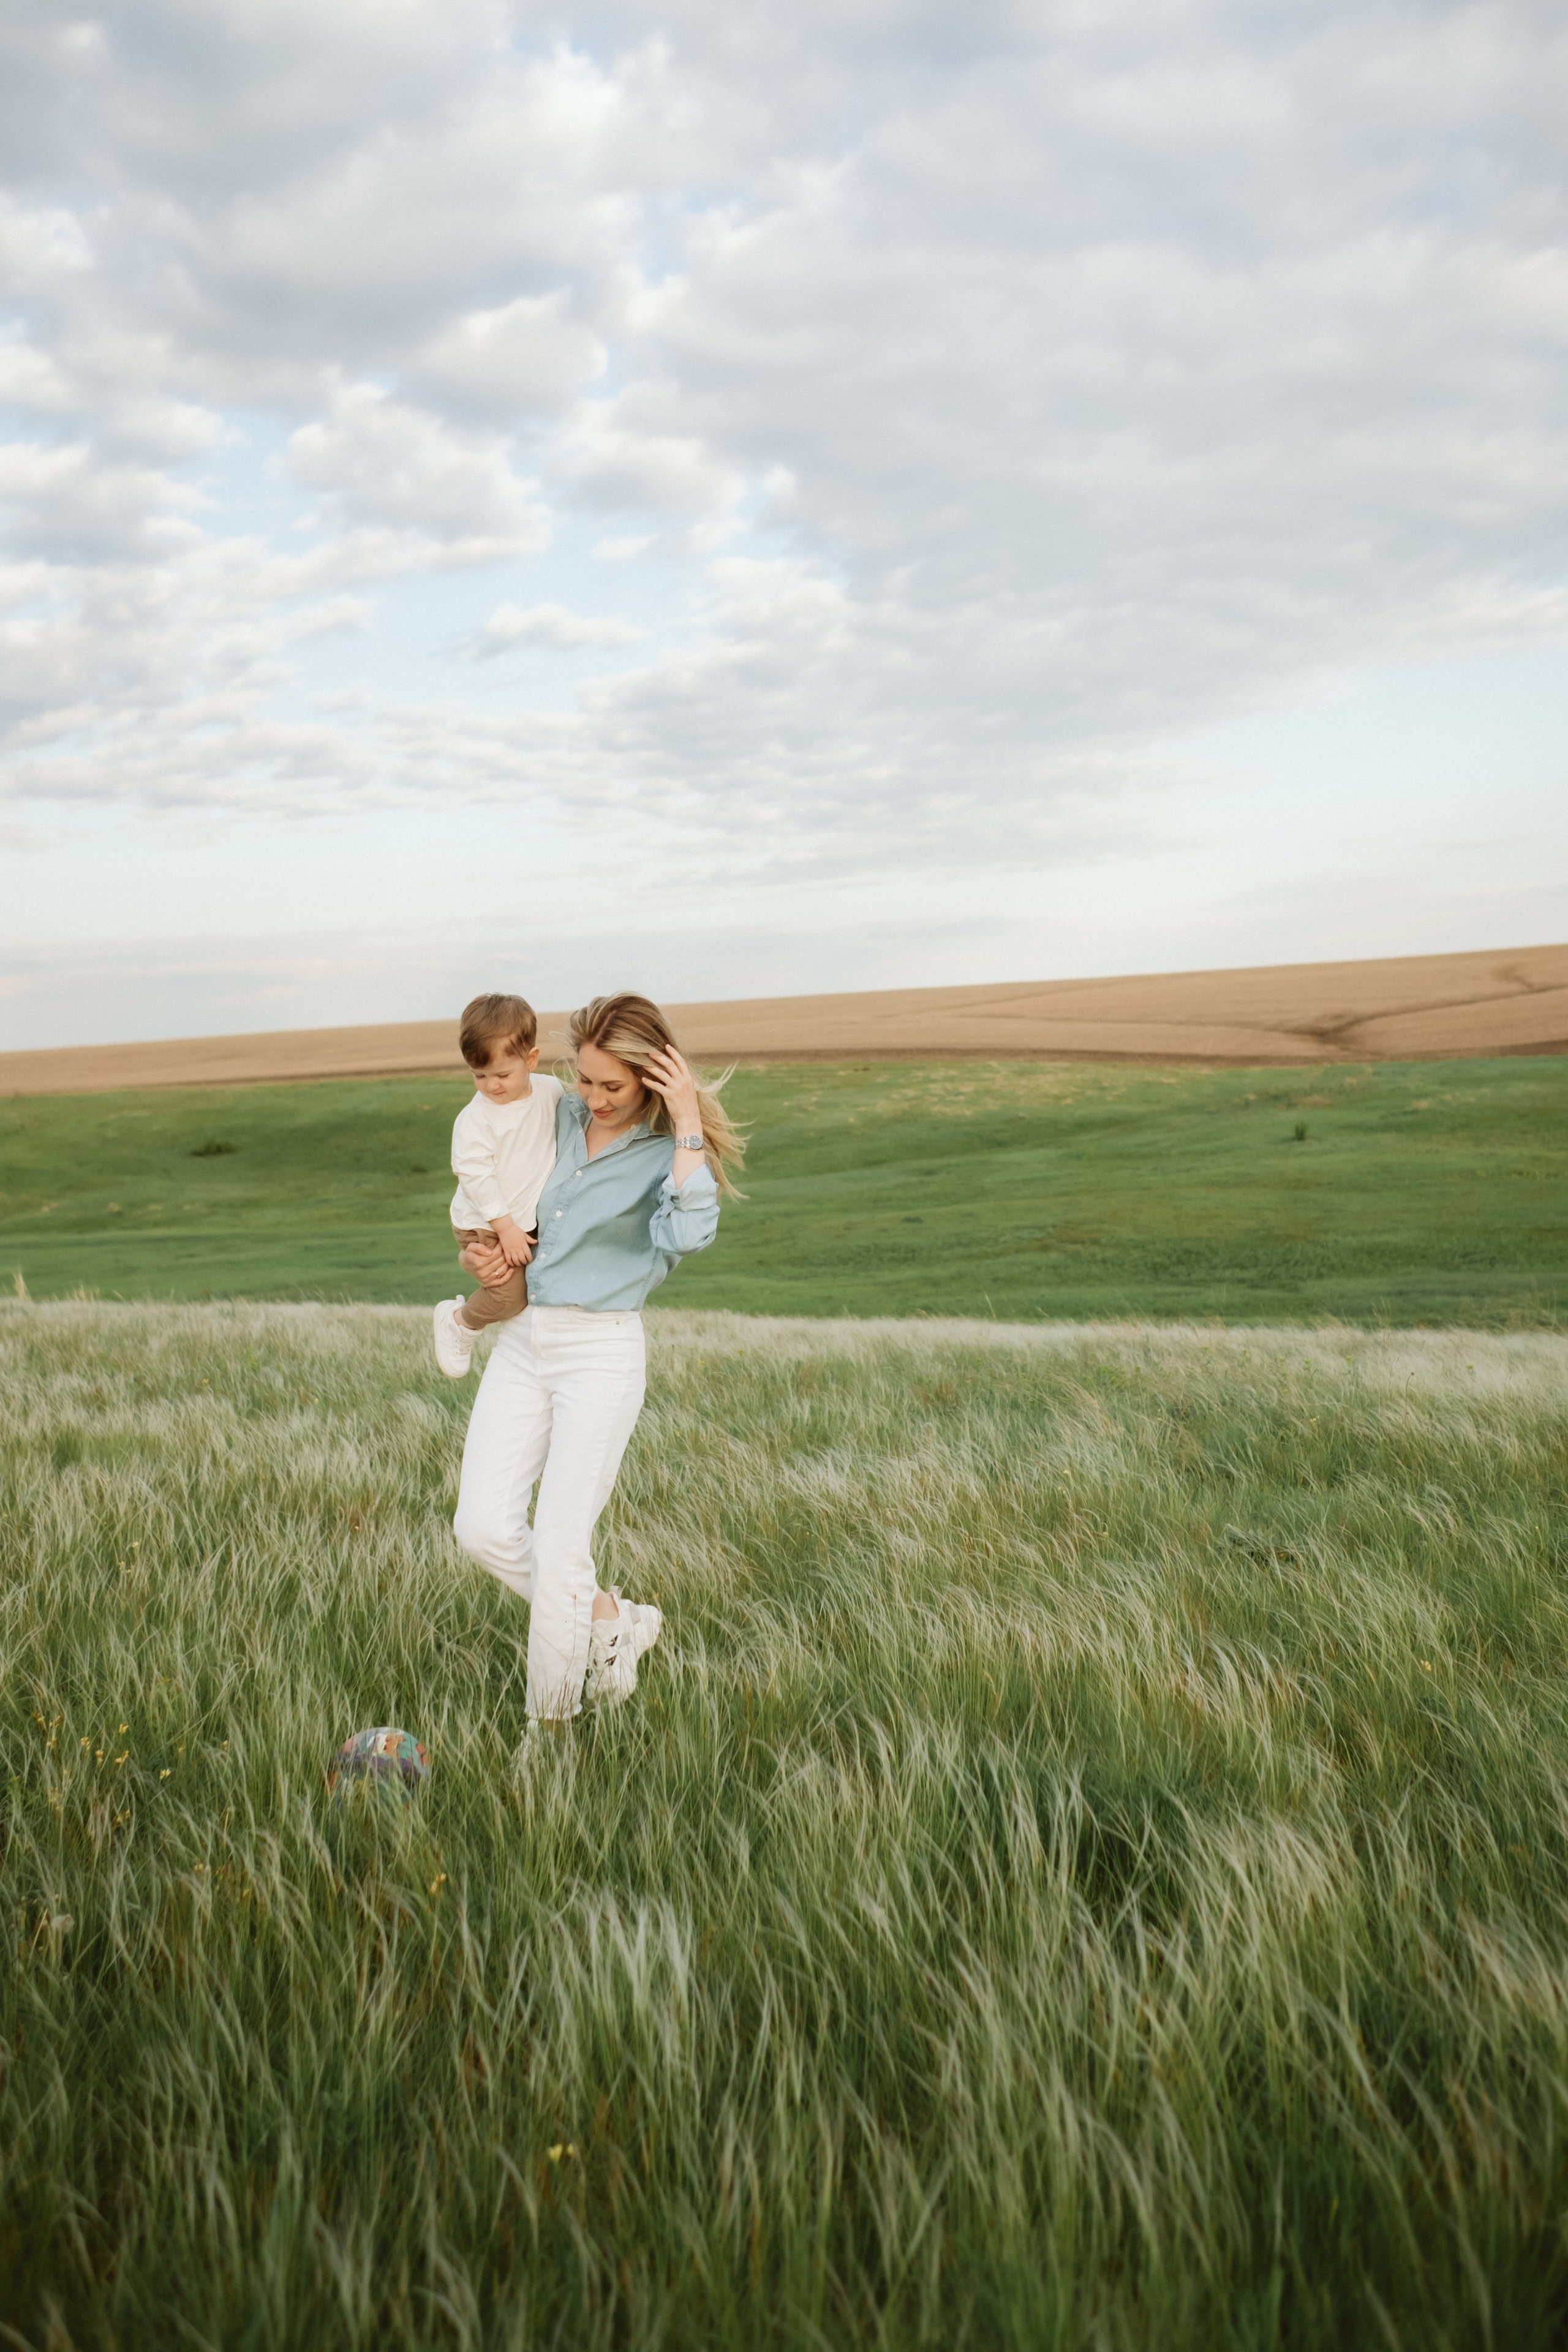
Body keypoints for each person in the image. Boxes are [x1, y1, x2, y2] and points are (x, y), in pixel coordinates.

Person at [451, 993, 745, 1728]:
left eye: (612, 1086)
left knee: (558, 1547)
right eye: (584, 1080)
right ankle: (612, 1616)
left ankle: (548, 1735)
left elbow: (687, 1236)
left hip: (600, 1355)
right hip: (524, 1342)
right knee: (481, 1528)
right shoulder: (560, 1114)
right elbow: (500, 1191)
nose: (594, 1099)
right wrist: (482, 1253)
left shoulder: (666, 1154)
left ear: (652, 1077)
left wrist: (683, 1126)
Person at [432, 993, 562, 1379]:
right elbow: (476, 1177)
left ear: (531, 1060)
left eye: (502, 1074)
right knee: (509, 1298)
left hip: (520, 1222)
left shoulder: (550, 1091)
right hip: (486, 1222)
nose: (491, 1086)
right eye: (479, 1075)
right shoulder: (475, 1120)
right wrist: (505, 1230)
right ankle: (459, 1322)